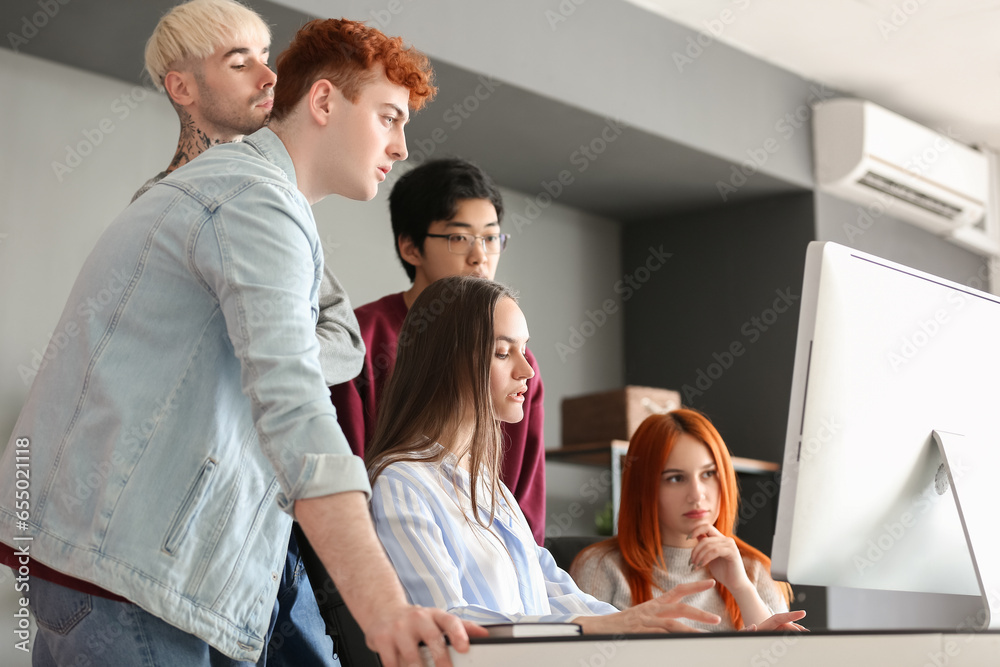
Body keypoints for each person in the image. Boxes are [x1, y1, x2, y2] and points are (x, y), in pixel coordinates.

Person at [0, 17, 482, 667]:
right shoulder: (250, 200)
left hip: (121, 569)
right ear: (322, 102)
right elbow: (296, 407)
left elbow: (311, 366)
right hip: (128, 580)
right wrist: (384, 607)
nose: (401, 145)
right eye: (389, 117)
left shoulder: (253, 194)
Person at [134, 3, 363, 664]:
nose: (269, 75)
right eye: (241, 61)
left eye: (267, 55)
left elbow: (340, 337)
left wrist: (277, 351)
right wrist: (272, 349)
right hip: (192, 532)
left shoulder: (276, 202)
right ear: (183, 87)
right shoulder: (165, 209)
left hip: (273, 522)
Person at [365, 276, 778, 634]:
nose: (526, 371)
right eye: (503, 352)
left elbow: (560, 595)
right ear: (448, 363)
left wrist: (644, 623)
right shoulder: (402, 484)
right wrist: (607, 625)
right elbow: (448, 623)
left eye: (524, 350)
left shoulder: (490, 490)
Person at [330, 157, 549, 544]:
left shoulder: (519, 362)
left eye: (491, 237)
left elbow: (523, 494)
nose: (480, 255)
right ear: (411, 247)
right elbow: (345, 471)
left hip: (490, 556)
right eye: (459, 237)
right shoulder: (362, 337)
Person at [570, 410, 806, 632]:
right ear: (643, 488)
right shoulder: (601, 567)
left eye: (708, 474)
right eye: (676, 478)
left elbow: (782, 657)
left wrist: (741, 587)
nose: (697, 494)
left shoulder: (753, 569)